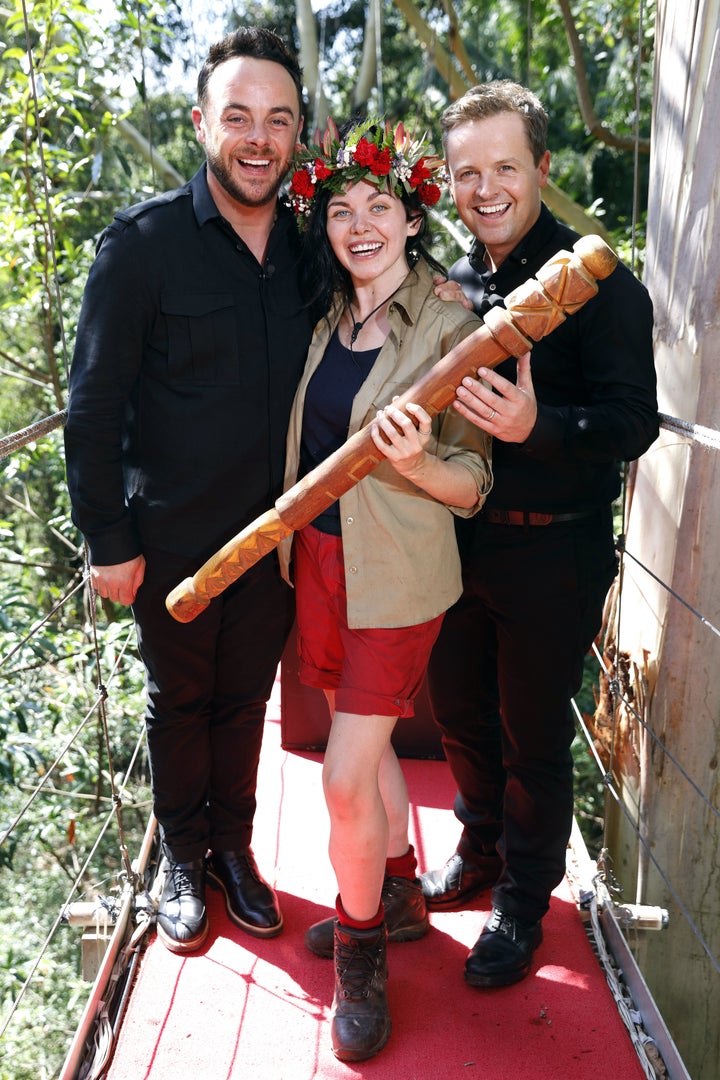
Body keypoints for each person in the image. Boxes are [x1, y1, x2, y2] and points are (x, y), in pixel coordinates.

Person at [64, 28, 313, 954]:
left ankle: (235, 852)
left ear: (296, 136)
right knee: (181, 700)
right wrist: (108, 540)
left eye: (277, 120)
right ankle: (181, 853)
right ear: (203, 122)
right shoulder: (142, 246)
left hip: (280, 536)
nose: (258, 137)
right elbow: (91, 409)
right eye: (239, 116)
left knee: (247, 701)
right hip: (170, 539)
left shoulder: (311, 246)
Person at [421, 81, 658, 988]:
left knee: (532, 737)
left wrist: (538, 426)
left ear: (542, 169)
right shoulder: (455, 280)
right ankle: (478, 850)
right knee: (460, 713)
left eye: (505, 168)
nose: (485, 189)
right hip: (459, 542)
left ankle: (523, 901)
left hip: (555, 551)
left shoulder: (601, 281)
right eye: (467, 172)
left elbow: (635, 420)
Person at [281, 118, 492, 1061]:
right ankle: (399, 894)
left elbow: (473, 483)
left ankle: (361, 956)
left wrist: (414, 464)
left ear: (413, 219)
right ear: (324, 226)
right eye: (341, 209)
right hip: (319, 566)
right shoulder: (330, 320)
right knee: (362, 766)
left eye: (380, 207)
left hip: (399, 579)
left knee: (338, 778)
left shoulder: (451, 326)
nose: (359, 223)